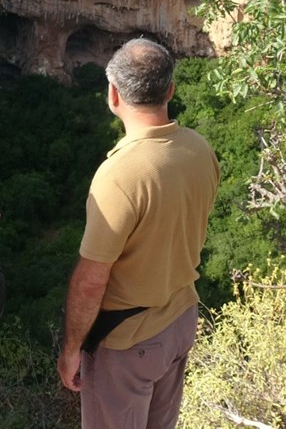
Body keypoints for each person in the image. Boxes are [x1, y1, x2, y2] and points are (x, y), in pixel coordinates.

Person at [57, 38, 220, 428]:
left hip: (130, 341)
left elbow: (91, 280)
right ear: (170, 90)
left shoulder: (121, 175)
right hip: (181, 318)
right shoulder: (200, 150)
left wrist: (72, 348)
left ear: (113, 94)